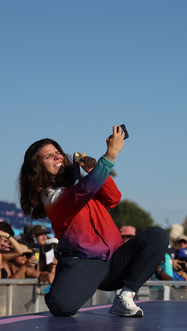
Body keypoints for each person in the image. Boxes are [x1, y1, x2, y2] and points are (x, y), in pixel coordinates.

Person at [18, 127, 168, 317]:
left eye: (58, 152)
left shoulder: (83, 183)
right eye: (49, 156)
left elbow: (113, 198)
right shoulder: (49, 197)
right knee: (61, 307)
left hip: (114, 260)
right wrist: (110, 156)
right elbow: (84, 190)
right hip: (85, 263)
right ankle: (60, 288)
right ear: (37, 168)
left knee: (158, 236)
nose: (57, 156)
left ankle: (125, 296)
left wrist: (92, 169)